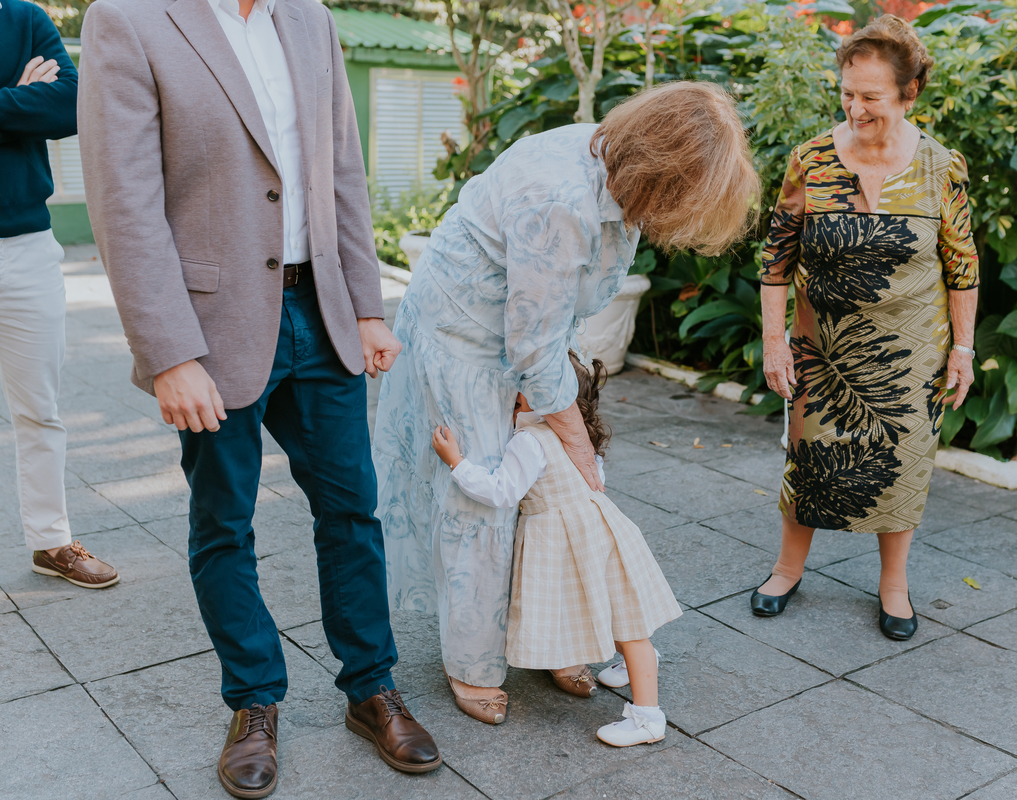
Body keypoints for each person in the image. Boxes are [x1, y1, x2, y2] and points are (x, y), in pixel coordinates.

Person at [78, 0, 440, 794]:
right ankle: (253, 700)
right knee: (223, 521)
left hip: (322, 313)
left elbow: (342, 171)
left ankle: (371, 687)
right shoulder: (127, 19)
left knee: (353, 510)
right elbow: (124, 201)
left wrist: (367, 306)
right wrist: (169, 353)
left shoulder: (311, 20)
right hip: (211, 325)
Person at [372, 81, 760, 724]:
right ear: (660, 170)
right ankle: (472, 661)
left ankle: (549, 636)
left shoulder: (619, 175)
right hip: (463, 331)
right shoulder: (560, 198)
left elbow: (545, 327)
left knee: (550, 501)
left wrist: (563, 434)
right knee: (484, 497)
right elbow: (531, 344)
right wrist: (578, 444)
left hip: (530, 330)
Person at [751, 15, 979, 641]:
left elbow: (962, 265)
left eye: (871, 96)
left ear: (909, 93)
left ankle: (894, 586)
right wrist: (774, 342)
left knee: (902, 465)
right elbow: (776, 260)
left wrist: (962, 349)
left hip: (913, 354)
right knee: (809, 461)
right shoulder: (811, 161)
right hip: (822, 349)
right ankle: (786, 570)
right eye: (847, 93)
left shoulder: (940, 167)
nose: (855, 108)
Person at [431, 352, 681, 746]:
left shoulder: (529, 441)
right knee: (618, 609)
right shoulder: (578, 434)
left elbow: (502, 491)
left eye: (523, 390)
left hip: (562, 538)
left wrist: (456, 462)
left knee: (624, 624)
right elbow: (596, 478)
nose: (515, 395)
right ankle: (635, 665)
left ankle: (647, 718)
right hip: (600, 529)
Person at [1, 0, 120, 589]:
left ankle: (51, 543)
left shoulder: (24, 18)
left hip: (25, 247)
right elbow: (39, 109)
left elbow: (72, 104)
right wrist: (17, 97)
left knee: (40, 408)